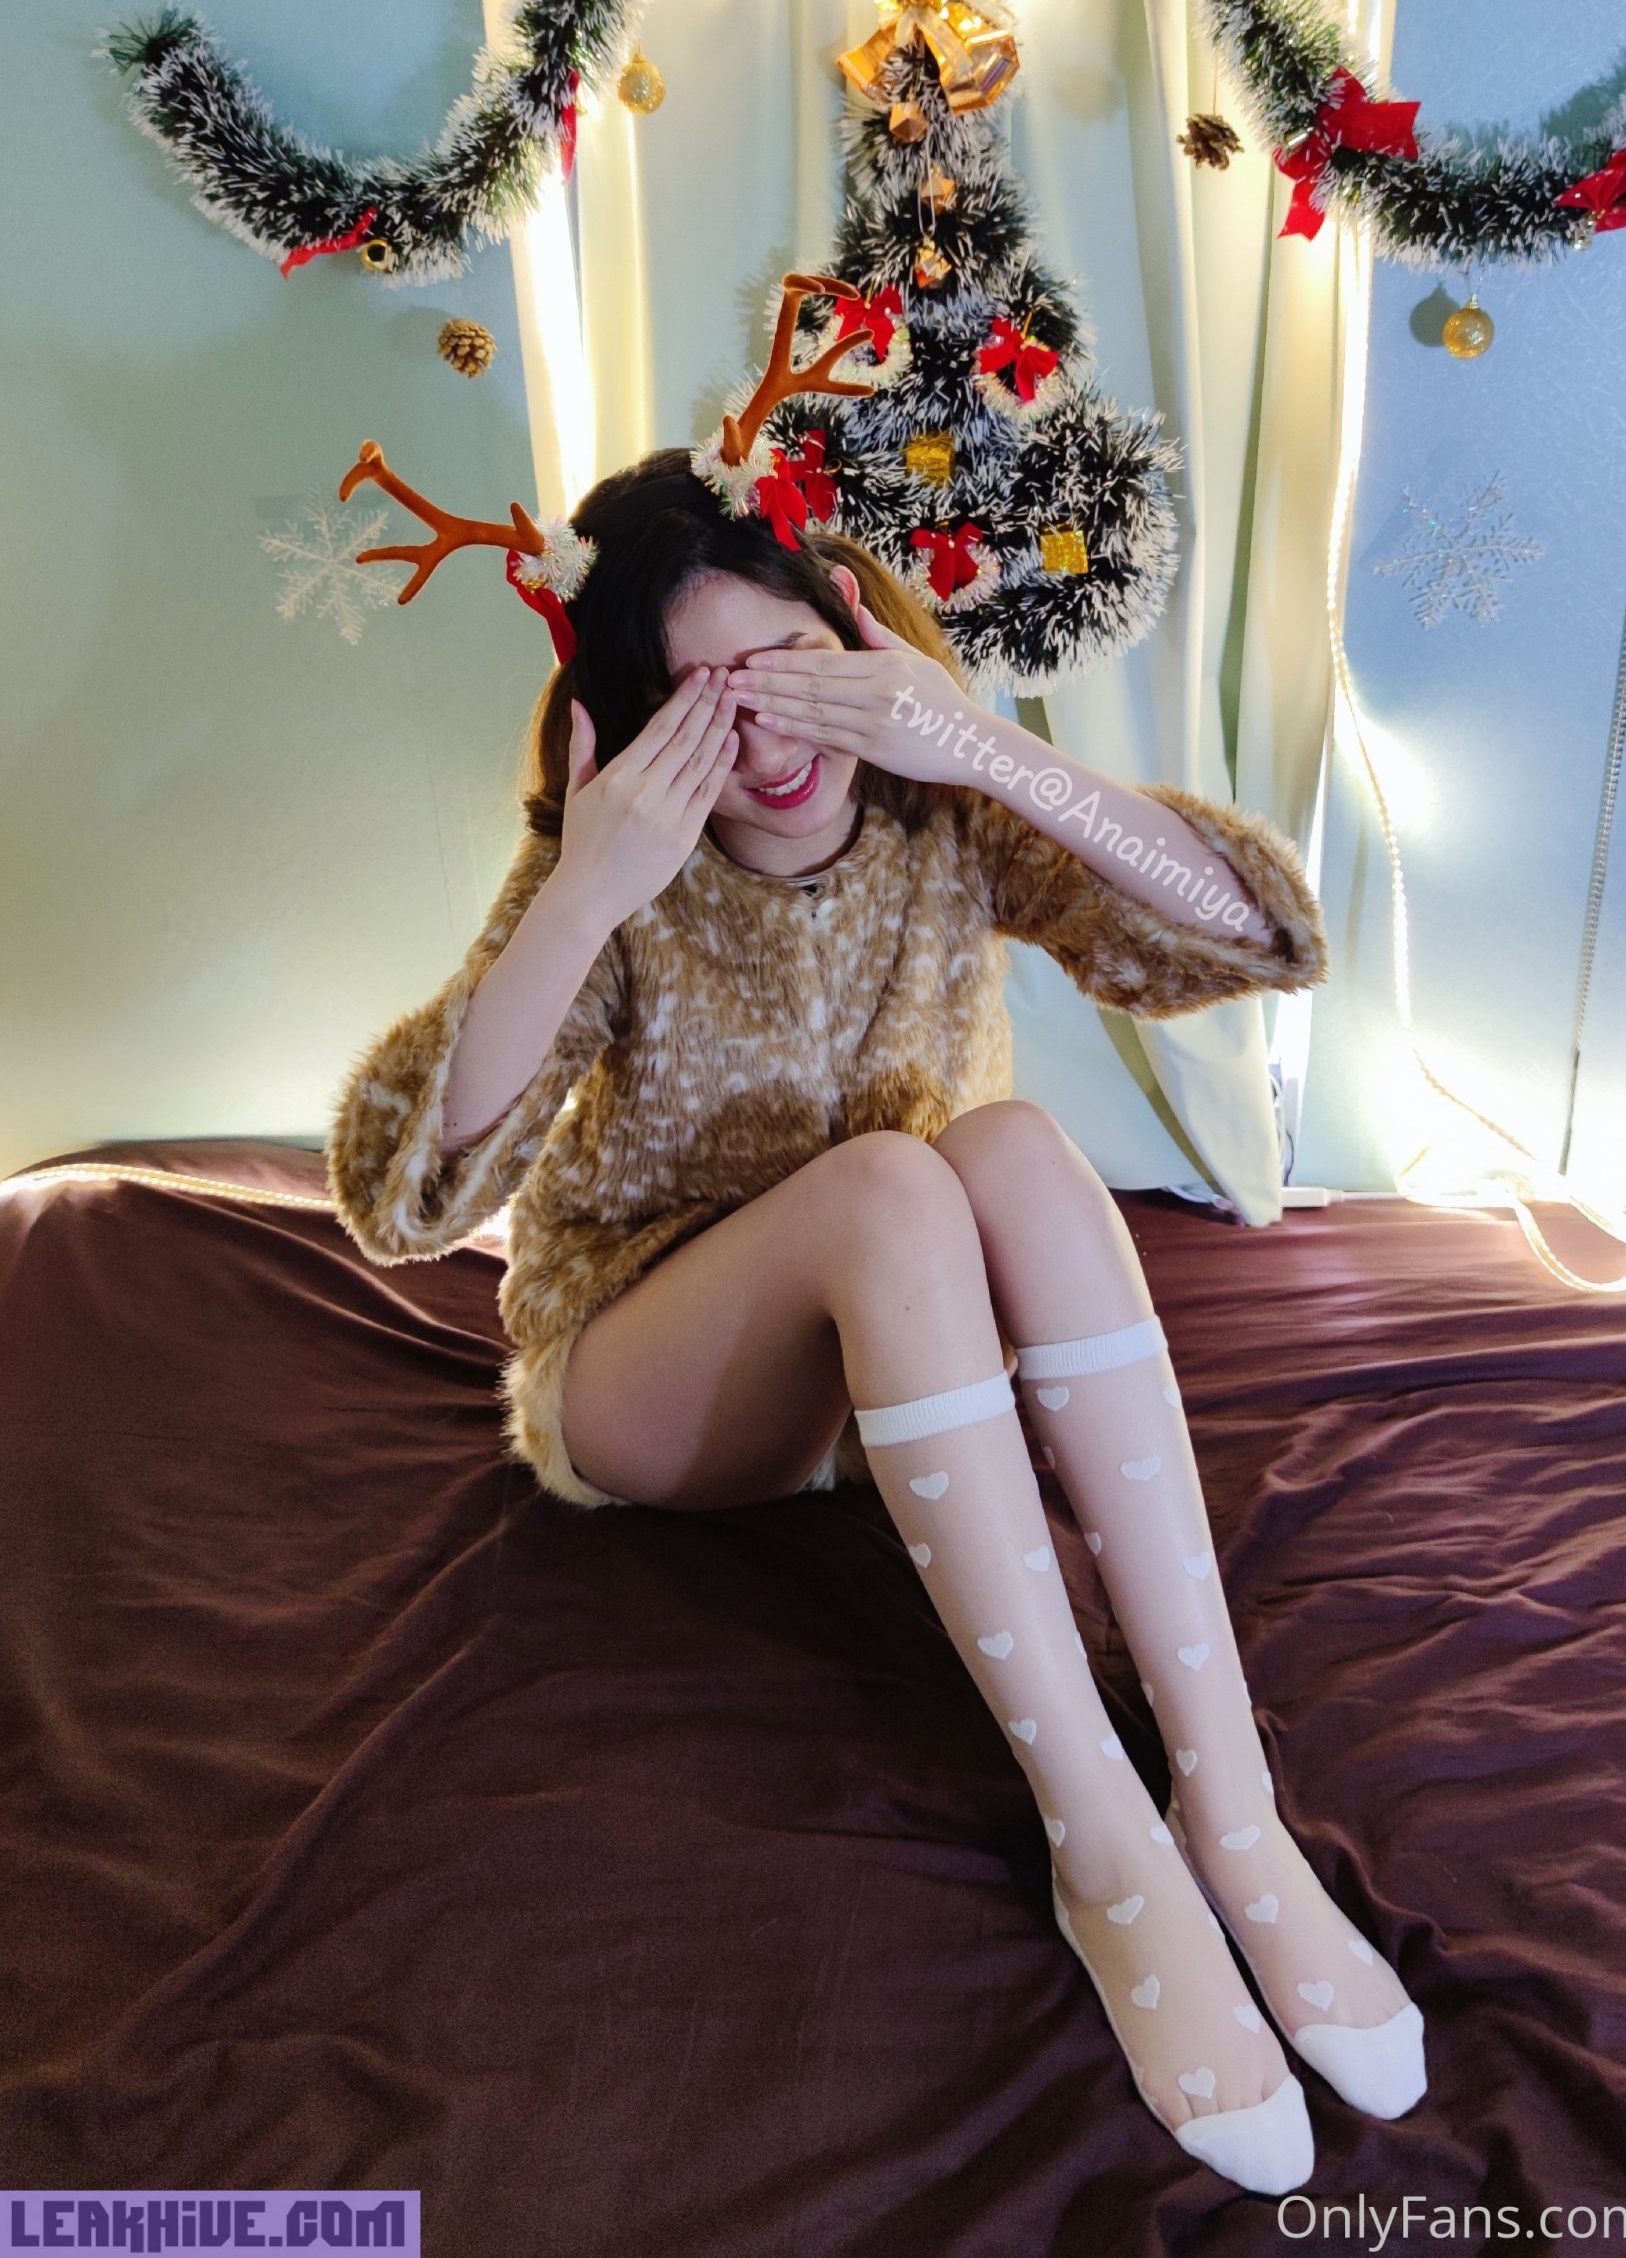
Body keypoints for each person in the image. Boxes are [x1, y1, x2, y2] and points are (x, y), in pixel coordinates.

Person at [326, 292, 1425, 2196]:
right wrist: (582, 892)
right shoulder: (626, 870)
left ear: (857, 643)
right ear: (628, 733)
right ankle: (1103, 1841)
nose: (762, 736)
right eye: (698, 703)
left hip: (896, 1369)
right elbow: (404, 1195)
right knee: (901, 1183)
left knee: (1004, 1148)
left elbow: (1259, 934)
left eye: (789, 670)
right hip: (651, 1385)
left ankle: (1230, 1807)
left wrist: (984, 745)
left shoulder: (938, 808)